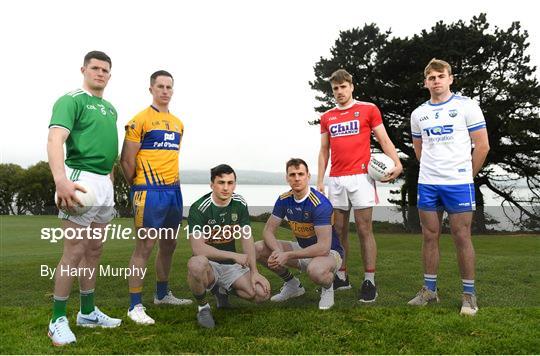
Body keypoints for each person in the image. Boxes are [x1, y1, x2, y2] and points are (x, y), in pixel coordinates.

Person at [46, 51, 121, 346]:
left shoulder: (110, 109)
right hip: (80, 181)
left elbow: (108, 152)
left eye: (105, 70)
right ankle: (57, 320)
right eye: (95, 68)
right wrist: (61, 180)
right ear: (83, 70)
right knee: (74, 251)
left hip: (103, 184)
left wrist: (110, 183)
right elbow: (55, 139)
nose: (100, 73)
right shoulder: (71, 99)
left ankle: (87, 312)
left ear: (110, 75)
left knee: (94, 250)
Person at [408, 58, 489, 316]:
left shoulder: (467, 106)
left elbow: (483, 146)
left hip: (458, 183)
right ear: (425, 83)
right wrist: (433, 171)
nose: (436, 81)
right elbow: (419, 150)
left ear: (450, 78)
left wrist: (467, 175)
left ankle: (469, 294)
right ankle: (430, 291)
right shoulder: (418, 113)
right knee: (429, 235)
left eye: (440, 76)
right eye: (431, 78)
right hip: (429, 184)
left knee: (461, 236)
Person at [317, 69, 402, 302]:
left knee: (364, 229)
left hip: (361, 178)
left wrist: (397, 163)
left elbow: (384, 139)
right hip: (336, 179)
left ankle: (369, 280)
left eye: (343, 87)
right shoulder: (328, 117)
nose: (339, 92)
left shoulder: (368, 109)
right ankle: (341, 276)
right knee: (338, 230)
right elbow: (324, 150)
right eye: (335, 88)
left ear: (351, 87)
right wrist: (320, 180)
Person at [120, 70, 192, 325]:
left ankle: (162, 294)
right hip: (148, 191)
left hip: (173, 191)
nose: (164, 90)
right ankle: (134, 305)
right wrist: (138, 187)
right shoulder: (139, 120)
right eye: (160, 86)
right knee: (145, 247)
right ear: (151, 89)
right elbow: (126, 160)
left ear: (172, 90)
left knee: (169, 244)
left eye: (168, 87)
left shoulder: (178, 123)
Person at [186, 164, 270, 328]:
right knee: (196, 264)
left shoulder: (239, 203)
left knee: (262, 294)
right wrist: (233, 255)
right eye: (221, 182)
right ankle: (203, 307)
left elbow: (247, 238)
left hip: (230, 267)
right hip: (209, 265)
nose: (226, 187)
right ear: (212, 185)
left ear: (235, 184)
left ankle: (222, 290)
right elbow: (198, 248)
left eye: (230, 183)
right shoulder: (199, 208)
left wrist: (254, 272)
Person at [255, 158, 344, 310]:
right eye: (292, 174)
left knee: (315, 271)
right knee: (258, 248)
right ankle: (293, 285)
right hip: (303, 249)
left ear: (308, 176)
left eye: (301, 174)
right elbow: (268, 231)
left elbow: (323, 247)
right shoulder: (284, 199)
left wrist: (287, 255)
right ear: (287, 177)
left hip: (329, 253)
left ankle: (328, 288)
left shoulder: (319, 204)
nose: (297, 178)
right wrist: (277, 251)